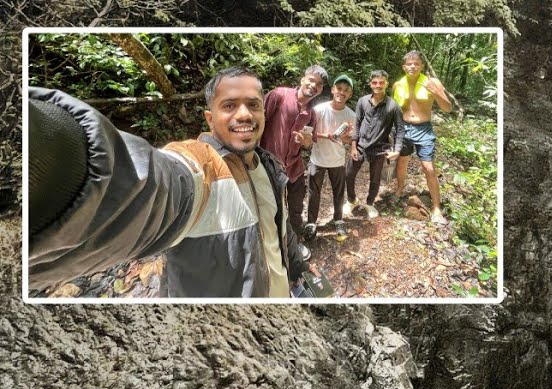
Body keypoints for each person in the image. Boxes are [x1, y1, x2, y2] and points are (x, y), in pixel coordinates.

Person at [27, 66, 312, 297]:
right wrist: (44, 153)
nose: (244, 114)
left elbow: (277, 227)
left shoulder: (269, 167)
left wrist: (296, 268)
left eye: (253, 105)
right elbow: (150, 185)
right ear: (210, 119)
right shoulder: (201, 166)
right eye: (230, 105)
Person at [261, 64, 327, 242]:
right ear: (303, 80)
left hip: (294, 168)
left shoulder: (311, 113)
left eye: (319, 84)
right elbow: (258, 121)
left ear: (321, 90)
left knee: (296, 207)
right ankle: (273, 243)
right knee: (270, 208)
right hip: (269, 166)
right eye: (311, 80)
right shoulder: (279, 95)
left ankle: (295, 242)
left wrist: (305, 142)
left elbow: (309, 141)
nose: (314, 86)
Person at [392, 50, 452, 225]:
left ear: (421, 66)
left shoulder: (432, 82)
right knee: (402, 162)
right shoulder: (397, 85)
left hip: (424, 128)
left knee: (429, 168)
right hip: (403, 128)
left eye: (416, 63)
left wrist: (437, 92)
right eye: (409, 64)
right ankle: (400, 190)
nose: (412, 66)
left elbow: (448, 108)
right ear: (404, 67)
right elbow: (394, 110)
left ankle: (436, 208)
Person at [345, 69, 404, 219]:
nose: (378, 85)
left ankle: (370, 204)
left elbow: (400, 128)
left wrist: (397, 149)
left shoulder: (393, 105)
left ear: (386, 84)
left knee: (375, 179)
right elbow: (357, 123)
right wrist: (353, 145)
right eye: (375, 82)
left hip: (379, 148)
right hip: (360, 146)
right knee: (349, 174)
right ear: (370, 84)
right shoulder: (363, 101)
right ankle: (351, 200)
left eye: (381, 82)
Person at [307, 74, 356, 235]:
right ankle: (311, 223)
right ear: (333, 90)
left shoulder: (350, 115)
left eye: (346, 91)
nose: (342, 93)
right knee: (314, 192)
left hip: (337, 160)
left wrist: (346, 136)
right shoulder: (319, 109)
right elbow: (309, 132)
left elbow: (350, 139)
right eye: (339, 89)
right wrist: (326, 136)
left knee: (338, 192)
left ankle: (338, 219)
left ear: (350, 94)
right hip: (317, 158)